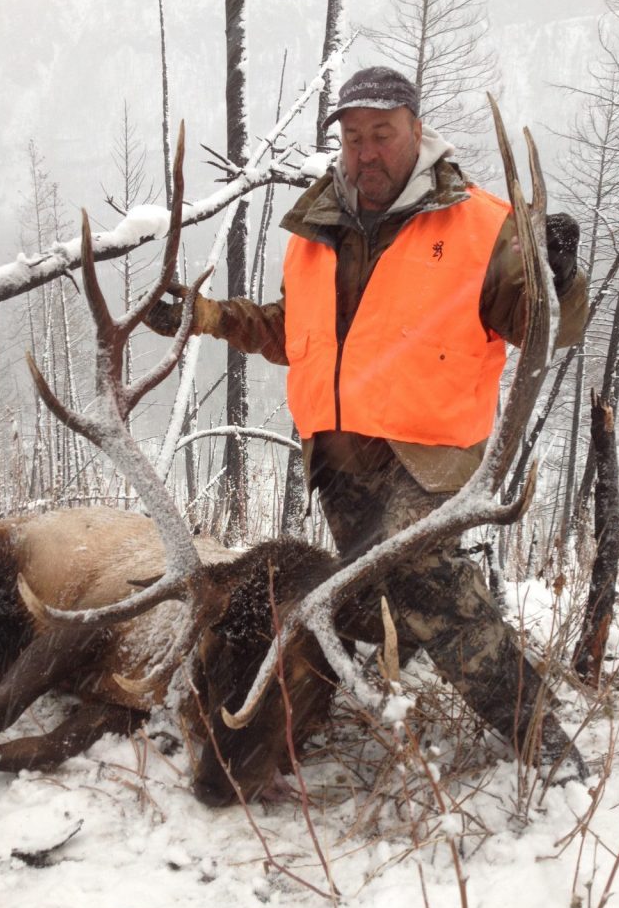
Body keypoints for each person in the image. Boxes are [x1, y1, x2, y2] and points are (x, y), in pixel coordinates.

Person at [147, 67, 589, 780]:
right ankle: (389, 670)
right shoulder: (316, 229)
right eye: (353, 138)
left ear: (417, 131)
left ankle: (543, 742)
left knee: (420, 580)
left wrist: (559, 279)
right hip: (338, 457)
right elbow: (295, 332)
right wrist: (204, 317)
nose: (366, 153)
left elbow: (548, 328)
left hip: (430, 457)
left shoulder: (482, 223)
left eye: (382, 134)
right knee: (372, 592)